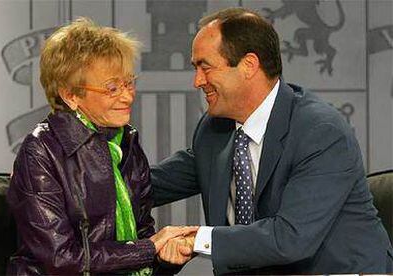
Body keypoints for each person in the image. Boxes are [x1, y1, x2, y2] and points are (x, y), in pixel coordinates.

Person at [151, 7, 393, 275]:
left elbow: (290, 238)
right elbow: (149, 186)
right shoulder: (214, 130)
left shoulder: (321, 132)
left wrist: (196, 239)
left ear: (248, 65)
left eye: (205, 67)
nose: (197, 81)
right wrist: (98, 167)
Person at [6, 18, 197, 275]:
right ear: (71, 95)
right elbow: (61, 259)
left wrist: (167, 255)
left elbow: (142, 238)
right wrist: (150, 249)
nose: (128, 96)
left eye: (129, 82)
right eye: (112, 88)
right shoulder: (40, 151)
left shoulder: (125, 141)